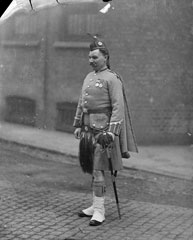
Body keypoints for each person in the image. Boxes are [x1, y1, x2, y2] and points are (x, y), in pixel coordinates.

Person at [73, 36, 138, 226]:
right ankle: (95, 206)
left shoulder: (112, 79)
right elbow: (81, 103)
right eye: (89, 57)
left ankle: (100, 211)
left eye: (94, 57)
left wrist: (112, 133)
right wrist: (77, 124)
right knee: (93, 170)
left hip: (103, 134)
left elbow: (118, 108)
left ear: (105, 57)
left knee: (99, 170)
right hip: (87, 131)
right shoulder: (88, 77)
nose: (90, 60)